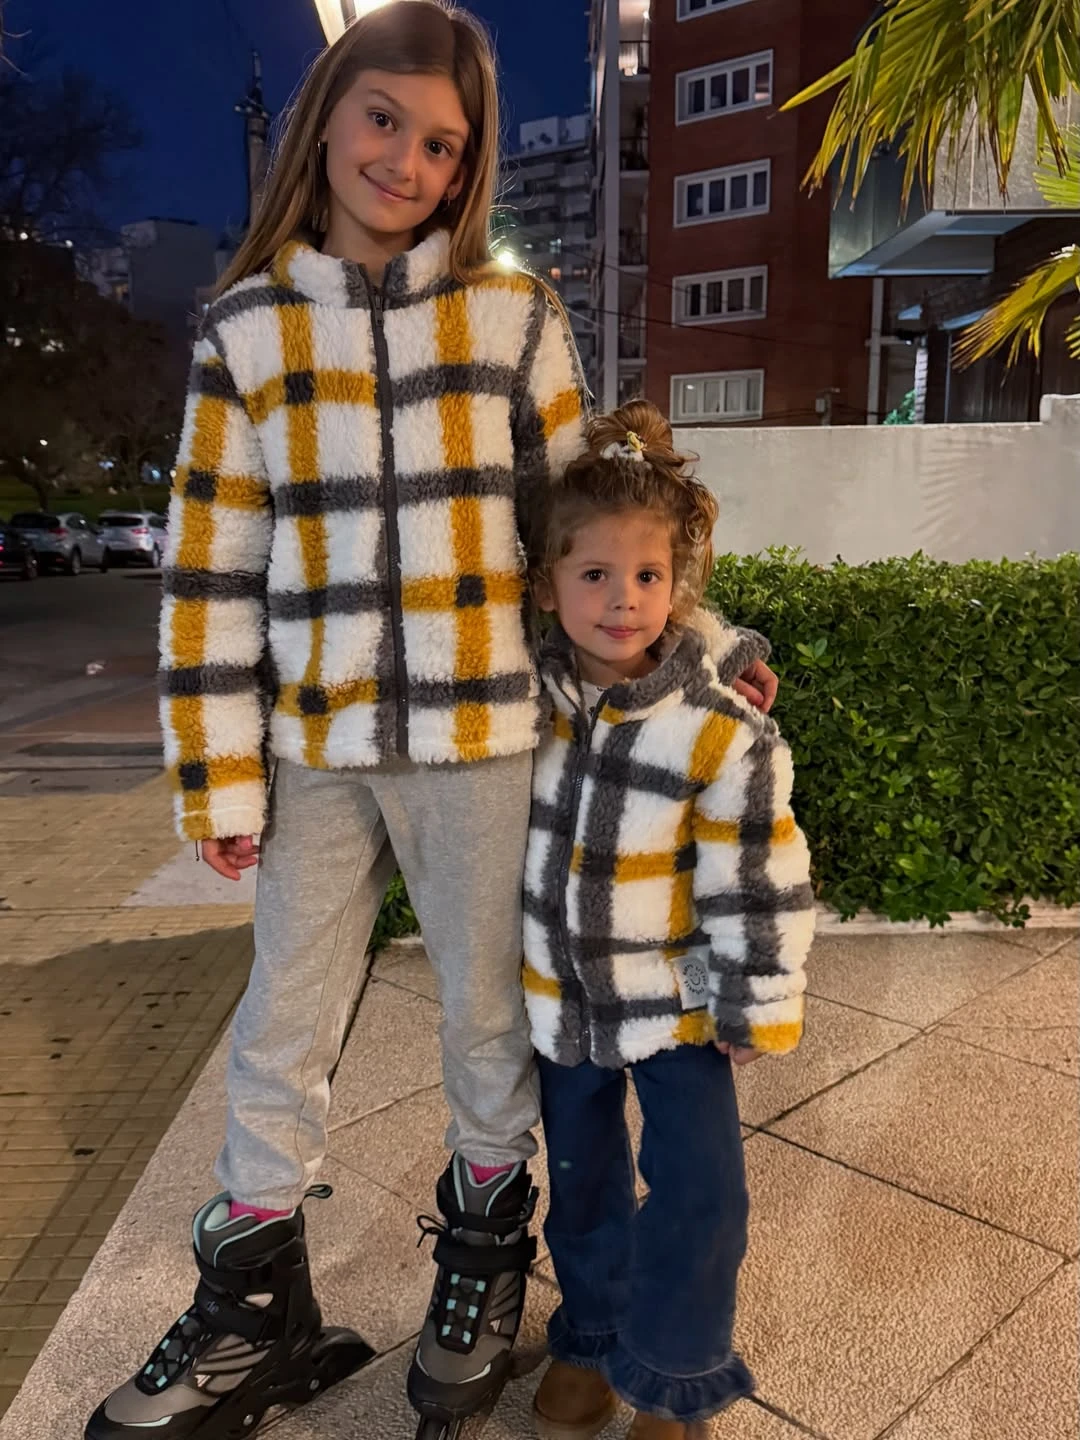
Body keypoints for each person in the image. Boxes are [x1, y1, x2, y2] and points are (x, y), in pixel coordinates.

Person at [86, 7, 778, 1435]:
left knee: (484, 1023)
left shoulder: (515, 320)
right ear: (328, 122)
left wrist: (704, 642)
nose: (407, 158)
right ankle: (252, 1293)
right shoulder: (246, 331)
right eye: (384, 120)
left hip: (483, 740)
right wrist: (220, 772)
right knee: (281, 1015)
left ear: (468, 173)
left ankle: (483, 1254)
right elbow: (213, 563)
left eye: (443, 143)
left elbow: (603, 519)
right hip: (314, 750)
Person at [523, 402, 816, 1440]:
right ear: (548, 582)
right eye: (594, 575)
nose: (621, 600)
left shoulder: (720, 730)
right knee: (582, 1189)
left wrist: (753, 999)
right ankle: (595, 1339)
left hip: (681, 1012)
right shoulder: (523, 697)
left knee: (701, 1198)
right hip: (560, 1008)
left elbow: (760, 875)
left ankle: (673, 1371)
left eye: (648, 577)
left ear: (678, 588)